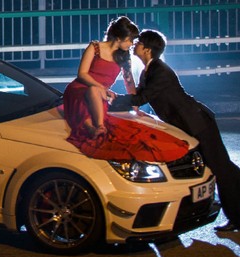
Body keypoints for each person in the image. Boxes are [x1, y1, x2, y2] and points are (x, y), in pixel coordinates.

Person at [120, 29, 240, 233]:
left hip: (198, 124)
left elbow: (141, 99)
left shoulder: (160, 72)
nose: (135, 45)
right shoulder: (150, 70)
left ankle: (238, 219)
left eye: (138, 42)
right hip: (191, 125)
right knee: (224, 166)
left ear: (147, 49)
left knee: (221, 171)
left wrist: (113, 101)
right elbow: (138, 95)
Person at [62, 17, 189, 162]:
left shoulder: (124, 56)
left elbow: (129, 82)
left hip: (100, 93)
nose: (131, 44)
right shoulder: (95, 47)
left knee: (95, 94)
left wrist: (135, 107)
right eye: (129, 40)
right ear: (118, 38)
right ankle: (96, 128)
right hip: (80, 88)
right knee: (92, 91)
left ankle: (96, 128)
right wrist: (101, 87)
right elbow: (82, 74)